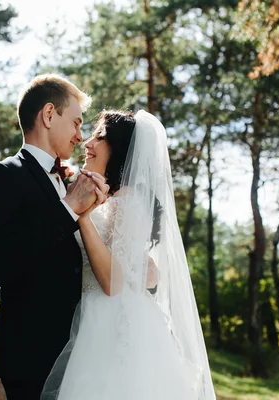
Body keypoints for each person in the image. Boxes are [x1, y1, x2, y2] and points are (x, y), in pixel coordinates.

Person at [41, 110, 216, 400]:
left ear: (120, 148)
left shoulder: (128, 200)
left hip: (114, 323)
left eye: (99, 136)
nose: (87, 142)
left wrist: (83, 219)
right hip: (95, 317)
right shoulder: (106, 197)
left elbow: (113, 283)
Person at [0, 74, 109, 399]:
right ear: (49, 115)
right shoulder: (1, 175)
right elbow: (3, 266)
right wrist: (69, 207)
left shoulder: (70, 181)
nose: (80, 136)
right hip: (30, 356)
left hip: (79, 356)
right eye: (76, 123)